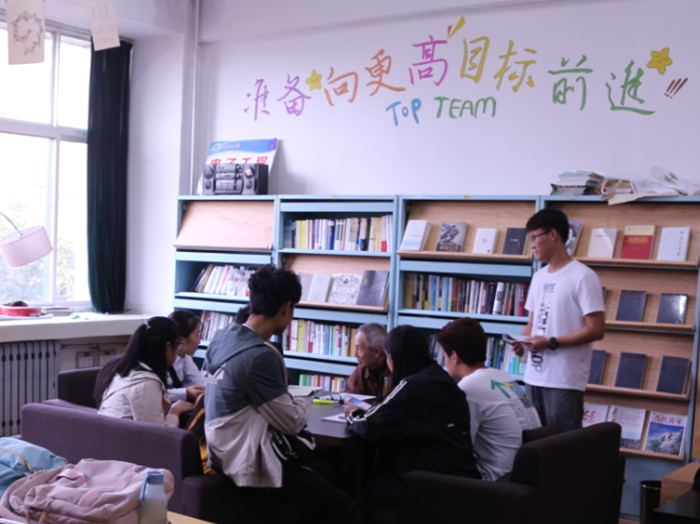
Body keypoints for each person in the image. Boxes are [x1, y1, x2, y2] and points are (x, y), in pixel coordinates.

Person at [204, 264, 359, 524]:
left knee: (326, 474)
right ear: (287, 307)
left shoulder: (223, 338)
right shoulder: (259, 355)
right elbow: (292, 422)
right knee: (345, 508)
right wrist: (302, 401)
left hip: (222, 449)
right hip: (249, 459)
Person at [346, 325, 480, 518]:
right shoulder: (441, 377)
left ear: (392, 359)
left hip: (426, 483)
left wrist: (353, 413)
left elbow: (370, 425)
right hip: (460, 479)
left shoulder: (410, 386)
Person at [511, 208, 605, 431]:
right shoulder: (539, 277)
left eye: (535, 238)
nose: (532, 245)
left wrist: (551, 342)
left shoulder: (583, 276)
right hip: (533, 378)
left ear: (553, 235)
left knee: (562, 447)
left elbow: (597, 329)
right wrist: (520, 342)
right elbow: (532, 323)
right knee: (534, 443)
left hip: (564, 381)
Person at [437, 317, 541, 481]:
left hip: (496, 479)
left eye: (444, 356)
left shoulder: (468, 387)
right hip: (526, 474)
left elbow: (458, 446)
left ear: (454, 356)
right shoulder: (503, 376)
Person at [95, 316, 194, 427]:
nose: (178, 350)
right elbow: (158, 434)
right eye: (178, 344)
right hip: (123, 437)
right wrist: (175, 410)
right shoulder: (146, 384)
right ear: (167, 347)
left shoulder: (125, 368)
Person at [167, 311, 207, 402]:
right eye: (197, 335)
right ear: (181, 339)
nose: (199, 341)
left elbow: (198, 379)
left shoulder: (185, 357)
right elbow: (153, 394)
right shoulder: (157, 360)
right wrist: (185, 393)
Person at [344, 323, 391, 397]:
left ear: (376, 352)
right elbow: (348, 396)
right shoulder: (363, 368)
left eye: (359, 349)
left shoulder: (397, 370)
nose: (355, 354)